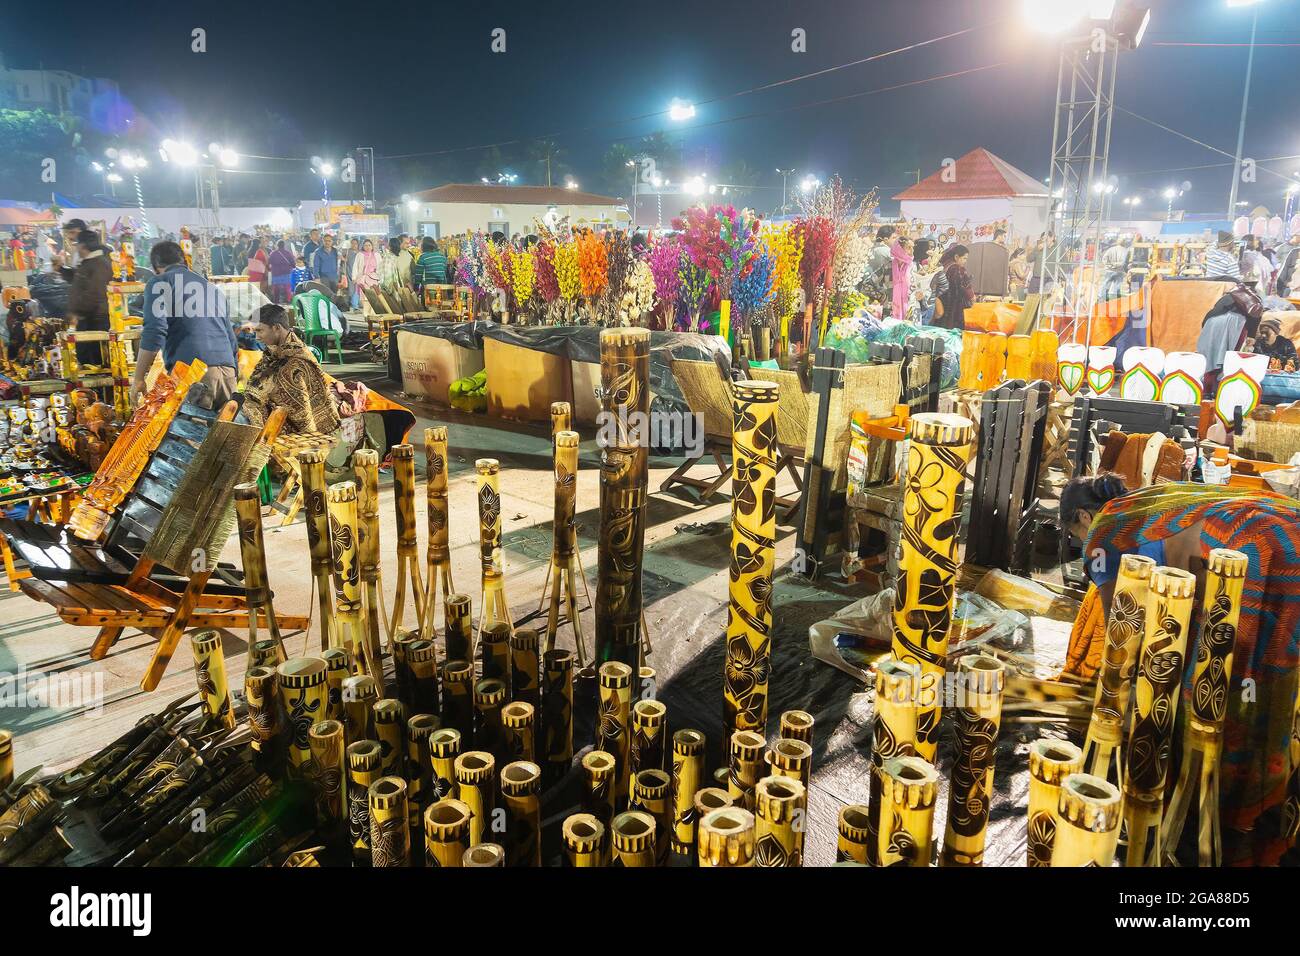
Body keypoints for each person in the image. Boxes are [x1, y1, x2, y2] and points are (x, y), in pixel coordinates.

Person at [1061, 475, 1300, 866]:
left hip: (1254, 548)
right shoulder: (1154, 499)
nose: (1081, 543)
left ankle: (1225, 804)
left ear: (1084, 517)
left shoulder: (1105, 532)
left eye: (1075, 532)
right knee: (1268, 681)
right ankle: (1260, 803)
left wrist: (1125, 705)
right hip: (1288, 532)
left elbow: (1122, 631)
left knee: (1223, 687)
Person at [134, 240, 239, 410]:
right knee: (226, 435)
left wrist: (139, 378)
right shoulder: (212, 288)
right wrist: (234, 373)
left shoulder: (160, 282)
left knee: (191, 433)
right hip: (228, 372)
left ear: (155, 268)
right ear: (184, 261)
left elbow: (154, 332)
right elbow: (230, 337)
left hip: (195, 374)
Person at [240, 303, 341, 437]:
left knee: (236, 421)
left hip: (290, 428)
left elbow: (299, 410)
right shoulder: (274, 352)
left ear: (276, 328)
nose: (257, 337)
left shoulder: (297, 361)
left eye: (260, 331)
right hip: (266, 413)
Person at [65, 230, 114, 365]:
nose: (76, 248)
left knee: (96, 363)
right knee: (89, 362)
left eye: (77, 244)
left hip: (97, 321)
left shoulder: (99, 264)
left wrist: (76, 311)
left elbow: (94, 294)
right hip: (89, 320)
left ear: (83, 246)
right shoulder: (89, 263)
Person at [933, 244, 973, 330]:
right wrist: (972, 297)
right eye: (964, 258)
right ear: (956, 257)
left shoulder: (944, 266)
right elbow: (965, 287)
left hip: (943, 304)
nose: (965, 261)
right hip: (954, 307)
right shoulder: (957, 269)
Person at [351, 238, 381, 309]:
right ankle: (366, 310)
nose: (367, 247)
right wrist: (354, 278)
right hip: (363, 278)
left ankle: (373, 310)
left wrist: (380, 277)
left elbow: (380, 266)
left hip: (374, 279)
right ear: (363, 247)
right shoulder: (360, 255)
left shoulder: (377, 255)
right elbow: (355, 266)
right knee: (364, 295)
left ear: (372, 246)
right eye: (366, 245)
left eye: (369, 245)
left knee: (374, 295)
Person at [890, 235, 913, 321]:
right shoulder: (888, 266)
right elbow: (869, 283)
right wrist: (882, 297)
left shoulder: (914, 267)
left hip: (909, 311)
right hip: (890, 310)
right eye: (908, 248)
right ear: (899, 249)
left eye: (912, 247)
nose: (912, 251)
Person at [268, 240, 296, 304]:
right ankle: (288, 301)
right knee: (287, 289)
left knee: (276, 289)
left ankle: (276, 302)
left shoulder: (273, 253)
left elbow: (269, 262)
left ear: (277, 245)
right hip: (286, 273)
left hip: (276, 274)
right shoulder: (288, 253)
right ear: (284, 245)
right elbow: (293, 264)